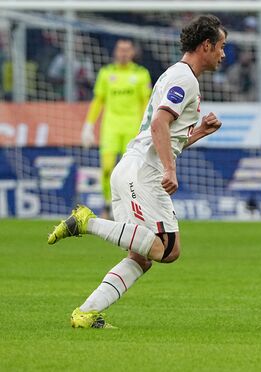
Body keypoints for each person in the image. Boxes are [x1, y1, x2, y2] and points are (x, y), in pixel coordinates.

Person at [47, 15, 227, 329]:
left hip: (133, 168)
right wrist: (169, 171)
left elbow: (166, 134)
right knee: (168, 250)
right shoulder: (185, 79)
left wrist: (198, 132)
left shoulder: (175, 75)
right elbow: (159, 123)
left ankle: (85, 314)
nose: (223, 54)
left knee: (142, 256)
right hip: (144, 173)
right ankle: (86, 222)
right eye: (221, 46)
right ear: (206, 45)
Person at [81, 39, 152, 218]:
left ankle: (130, 206)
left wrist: (147, 127)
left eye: (127, 50)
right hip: (111, 127)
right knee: (106, 169)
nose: (123, 53)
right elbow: (98, 100)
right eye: (120, 50)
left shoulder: (141, 74)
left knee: (130, 172)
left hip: (132, 128)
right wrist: (88, 125)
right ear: (115, 52)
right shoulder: (106, 73)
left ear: (132, 53)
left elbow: (146, 102)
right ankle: (108, 203)